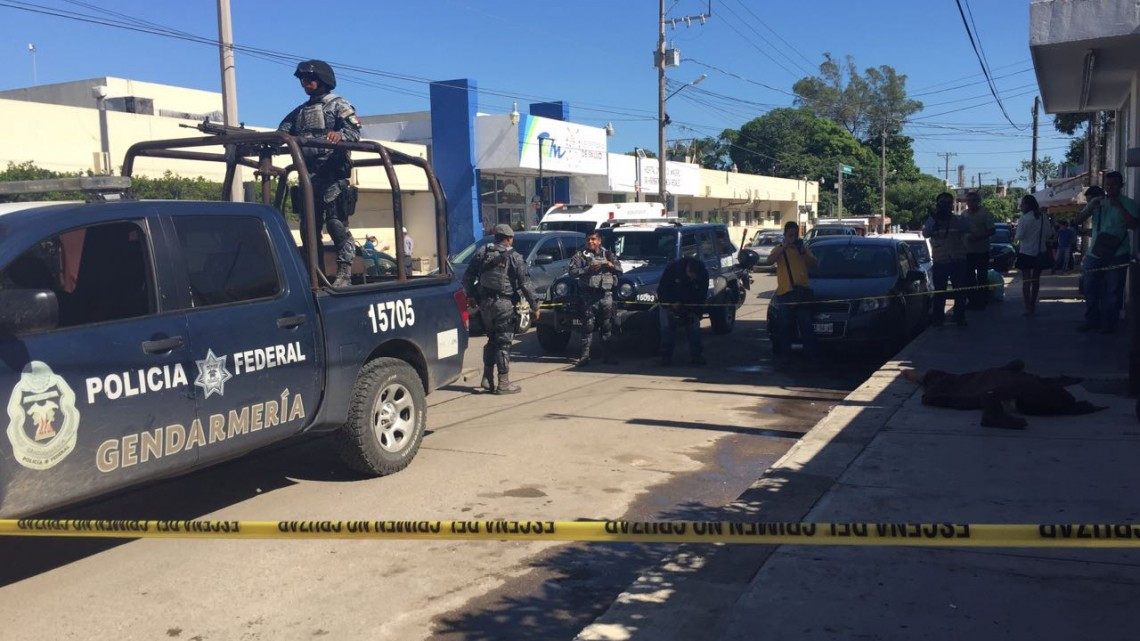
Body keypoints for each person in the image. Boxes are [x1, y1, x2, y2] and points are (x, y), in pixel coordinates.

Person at [278, 60, 362, 287]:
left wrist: (340, 135)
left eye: (310, 79)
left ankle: (344, 272)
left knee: (336, 225)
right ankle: (314, 274)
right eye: (303, 79)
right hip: (309, 177)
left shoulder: (338, 105)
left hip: (333, 176)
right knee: (308, 229)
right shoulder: (300, 112)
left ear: (324, 80)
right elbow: (281, 133)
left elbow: (355, 132)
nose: (306, 83)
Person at [902, 359, 1104, 430]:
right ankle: (922, 378)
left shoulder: (1039, 395)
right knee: (968, 381)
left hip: (1007, 390)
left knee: (966, 383)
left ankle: (994, 403)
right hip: (1009, 387)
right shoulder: (1042, 391)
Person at [461, 224, 539, 394]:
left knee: (491, 339)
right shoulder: (515, 256)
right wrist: (535, 306)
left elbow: (467, 277)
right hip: (504, 305)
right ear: (510, 238)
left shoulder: (482, 253)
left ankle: (487, 378)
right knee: (504, 343)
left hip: (485, 305)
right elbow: (525, 283)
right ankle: (503, 383)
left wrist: (472, 296)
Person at [1072, 171, 1139, 333]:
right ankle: (1092, 319)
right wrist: (1090, 209)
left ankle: (1109, 323)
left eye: (1114, 184)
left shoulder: (1128, 203)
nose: (1110, 188)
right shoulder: (1098, 201)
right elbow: (1077, 221)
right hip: (1096, 253)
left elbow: (1133, 225)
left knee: (1113, 290)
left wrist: (1119, 207)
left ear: (1121, 186)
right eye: (1108, 185)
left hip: (1118, 253)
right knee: (1090, 287)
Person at [568, 230, 622, 366]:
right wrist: (588, 269)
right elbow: (572, 273)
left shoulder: (608, 254)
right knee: (588, 326)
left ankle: (608, 356)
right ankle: (585, 357)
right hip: (588, 296)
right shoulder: (580, 256)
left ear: (599, 241)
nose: (590, 242)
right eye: (588, 240)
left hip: (605, 295)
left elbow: (620, 271)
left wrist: (611, 265)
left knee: (607, 326)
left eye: (593, 239)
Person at [766, 221, 817, 359]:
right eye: (790, 235)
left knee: (806, 325)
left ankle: (809, 356)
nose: (793, 238)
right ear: (785, 235)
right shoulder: (780, 248)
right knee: (785, 327)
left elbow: (814, 263)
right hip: (785, 292)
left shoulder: (802, 248)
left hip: (802, 292)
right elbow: (769, 261)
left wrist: (803, 251)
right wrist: (784, 246)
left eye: (795, 235)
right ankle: (785, 356)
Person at [922, 192, 972, 327]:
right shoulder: (932, 220)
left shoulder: (958, 220)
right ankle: (938, 319)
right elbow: (925, 233)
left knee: (960, 291)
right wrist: (934, 218)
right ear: (937, 205)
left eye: (947, 203)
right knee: (939, 293)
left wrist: (958, 217)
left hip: (958, 260)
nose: (944, 206)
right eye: (942, 203)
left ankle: (959, 317)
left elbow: (968, 228)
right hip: (940, 261)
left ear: (951, 205)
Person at [657, 255, 709, 366]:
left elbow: (701, 295)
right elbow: (662, 290)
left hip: (690, 304)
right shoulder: (673, 269)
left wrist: (696, 311)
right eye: (691, 276)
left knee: (694, 328)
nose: (692, 279)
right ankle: (666, 357)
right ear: (688, 269)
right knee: (667, 328)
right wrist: (671, 303)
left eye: (694, 278)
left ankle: (696, 356)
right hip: (670, 303)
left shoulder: (703, 274)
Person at [1013, 195, 1054, 317]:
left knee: (1026, 281)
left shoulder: (1024, 219)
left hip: (1026, 252)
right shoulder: (1043, 217)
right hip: (1040, 252)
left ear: (1027, 206)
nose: (1020, 207)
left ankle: (1027, 307)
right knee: (1036, 280)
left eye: (1022, 205)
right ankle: (1033, 304)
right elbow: (1048, 234)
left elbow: (1018, 236)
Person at [962, 191, 995, 310]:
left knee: (982, 277)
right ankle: (971, 301)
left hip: (982, 251)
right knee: (969, 278)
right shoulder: (964, 214)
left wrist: (979, 237)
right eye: (968, 201)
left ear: (978, 201)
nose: (970, 203)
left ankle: (982, 301)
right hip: (967, 252)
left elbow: (992, 230)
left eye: (973, 200)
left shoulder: (985, 213)